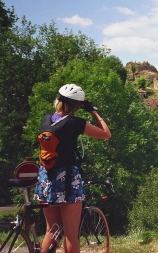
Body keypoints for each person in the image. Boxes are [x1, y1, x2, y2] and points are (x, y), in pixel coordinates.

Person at [34, 84, 111, 253]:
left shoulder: (46, 119)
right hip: (68, 180)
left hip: (46, 177)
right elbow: (106, 133)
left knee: (52, 230)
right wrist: (93, 111)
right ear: (77, 106)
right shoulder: (75, 123)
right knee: (70, 234)